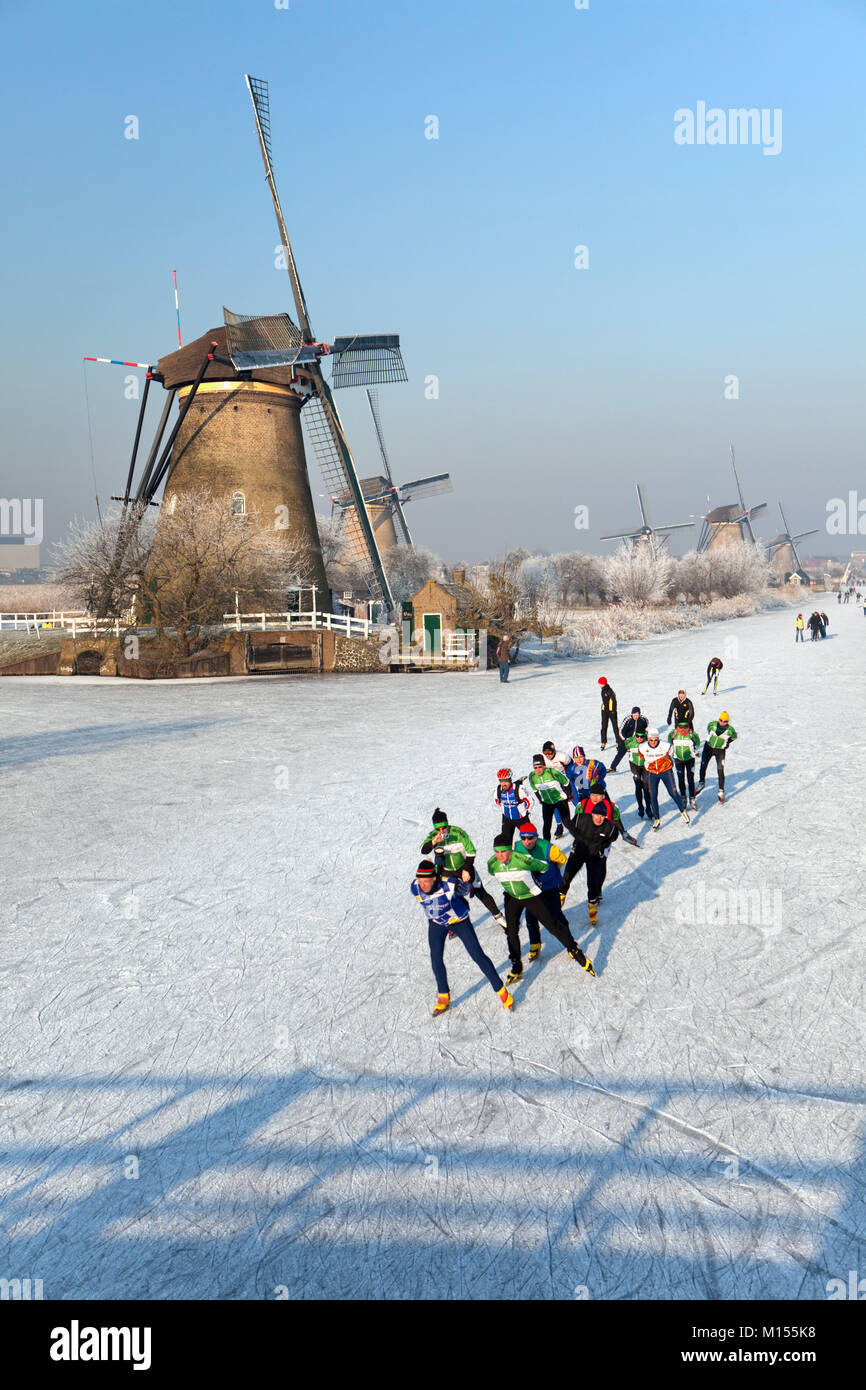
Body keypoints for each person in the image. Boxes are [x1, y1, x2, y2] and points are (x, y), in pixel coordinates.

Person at [487, 833, 595, 982]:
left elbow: (544, 867)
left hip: (531, 895)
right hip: (512, 897)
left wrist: (536, 880)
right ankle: (517, 966)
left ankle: (575, 950)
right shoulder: (492, 864)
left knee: (552, 925)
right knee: (511, 931)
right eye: (497, 852)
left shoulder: (523, 859)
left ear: (510, 850)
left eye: (503, 851)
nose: (500, 855)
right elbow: (491, 871)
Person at [411, 860, 513, 1016]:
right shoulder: (415, 888)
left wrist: (466, 884)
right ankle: (443, 996)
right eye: (420, 881)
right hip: (437, 923)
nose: (422, 885)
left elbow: (469, 890)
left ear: (434, 879)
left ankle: (501, 990)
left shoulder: (449, 885)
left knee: (477, 955)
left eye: (426, 881)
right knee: (435, 958)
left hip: (459, 922)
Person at [421, 808, 505, 925]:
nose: (441, 832)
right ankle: (457, 922)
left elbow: (471, 852)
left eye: (444, 828)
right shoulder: (433, 836)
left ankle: (499, 917)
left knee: (480, 892)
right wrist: (434, 842)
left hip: (464, 866)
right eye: (438, 829)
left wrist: (466, 869)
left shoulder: (458, 833)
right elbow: (424, 850)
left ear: (447, 824)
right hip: (447, 871)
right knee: (449, 897)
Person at [559, 800, 633, 926]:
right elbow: (571, 826)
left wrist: (601, 847)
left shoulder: (610, 827)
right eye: (597, 815)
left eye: (602, 816)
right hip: (578, 853)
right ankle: (557, 906)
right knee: (565, 879)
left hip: (594, 857)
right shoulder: (581, 819)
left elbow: (612, 838)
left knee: (593, 884)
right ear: (592, 814)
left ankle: (592, 912)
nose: (599, 818)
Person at [515, 821, 571, 959]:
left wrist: (552, 873)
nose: (526, 841)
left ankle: (570, 943)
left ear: (536, 837)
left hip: (549, 887)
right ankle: (535, 944)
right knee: (530, 917)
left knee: (557, 915)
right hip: (532, 889)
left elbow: (562, 860)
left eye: (530, 838)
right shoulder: (516, 847)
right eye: (523, 838)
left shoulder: (548, 848)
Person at [643, 728, 691, 829]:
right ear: (648, 739)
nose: (653, 742)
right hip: (653, 773)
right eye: (651, 740)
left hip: (665, 771)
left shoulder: (665, 746)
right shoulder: (642, 747)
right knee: (653, 796)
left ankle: (683, 811)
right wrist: (646, 764)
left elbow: (674, 754)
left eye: (655, 740)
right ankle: (657, 819)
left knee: (673, 793)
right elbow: (641, 755)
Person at [527, 754, 575, 840]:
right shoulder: (532, 776)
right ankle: (546, 848)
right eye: (535, 767)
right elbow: (535, 790)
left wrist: (568, 795)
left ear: (544, 766)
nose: (538, 770)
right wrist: (541, 800)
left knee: (567, 823)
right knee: (546, 826)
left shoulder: (553, 772)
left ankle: (581, 841)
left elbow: (566, 782)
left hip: (560, 800)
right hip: (547, 803)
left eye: (540, 767)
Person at [697, 712, 737, 803]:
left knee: (720, 769)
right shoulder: (712, 724)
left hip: (720, 751)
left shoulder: (730, 729)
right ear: (718, 719)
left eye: (725, 721)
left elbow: (735, 736)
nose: (722, 722)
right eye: (721, 720)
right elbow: (708, 730)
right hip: (708, 748)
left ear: (728, 722)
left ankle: (721, 791)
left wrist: (727, 742)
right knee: (703, 765)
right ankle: (701, 782)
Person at [542, 740, 578, 834]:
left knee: (576, 800)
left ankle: (583, 818)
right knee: (555, 805)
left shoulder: (562, 756)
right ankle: (559, 825)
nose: (548, 755)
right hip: (554, 784)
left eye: (550, 752)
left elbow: (571, 766)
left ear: (554, 751)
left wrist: (571, 778)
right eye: (545, 753)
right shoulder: (544, 760)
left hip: (566, 781)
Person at [493, 768, 532, 844]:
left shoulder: (519, 790)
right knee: (506, 842)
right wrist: (504, 809)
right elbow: (496, 801)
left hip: (521, 819)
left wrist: (526, 812)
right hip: (507, 819)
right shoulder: (498, 790)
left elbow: (530, 801)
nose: (503, 783)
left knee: (529, 840)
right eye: (501, 781)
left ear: (510, 780)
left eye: (506, 781)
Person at [668, 720, 701, 809]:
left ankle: (692, 798)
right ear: (677, 727)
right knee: (680, 778)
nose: (682, 730)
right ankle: (683, 797)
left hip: (690, 759)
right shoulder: (673, 733)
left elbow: (697, 743)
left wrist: (693, 749)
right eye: (680, 728)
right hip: (678, 759)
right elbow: (670, 741)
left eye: (685, 728)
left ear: (688, 727)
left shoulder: (692, 734)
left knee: (690, 778)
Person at [608, 706, 647, 772]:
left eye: (637, 715)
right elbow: (621, 731)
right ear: (632, 714)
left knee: (640, 753)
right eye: (635, 715)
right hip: (626, 740)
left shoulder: (642, 720)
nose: (636, 717)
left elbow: (646, 725)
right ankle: (612, 767)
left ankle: (643, 767)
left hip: (637, 740)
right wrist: (625, 739)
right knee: (620, 753)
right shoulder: (627, 720)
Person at [625, 728, 651, 818]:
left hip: (645, 766)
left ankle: (648, 808)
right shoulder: (630, 742)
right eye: (637, 736)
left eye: (641, 737)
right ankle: (640, 806)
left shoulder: (647, 743)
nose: (639, 738)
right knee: (638, 785)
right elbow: (622, 744)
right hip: (634, 765)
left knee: (646, 786)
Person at [598, 677, 622, 753]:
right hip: (604, 711)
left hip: (611, 712)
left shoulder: (609, 690)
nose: (598, 684)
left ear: (603, 683)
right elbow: (605, 702)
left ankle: (618, 742)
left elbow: (614, 701)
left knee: (615, 727)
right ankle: (603, 742)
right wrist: (603, 708)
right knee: (604, 726)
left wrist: (613, 711)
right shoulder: (603, 690)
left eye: (600, 683)